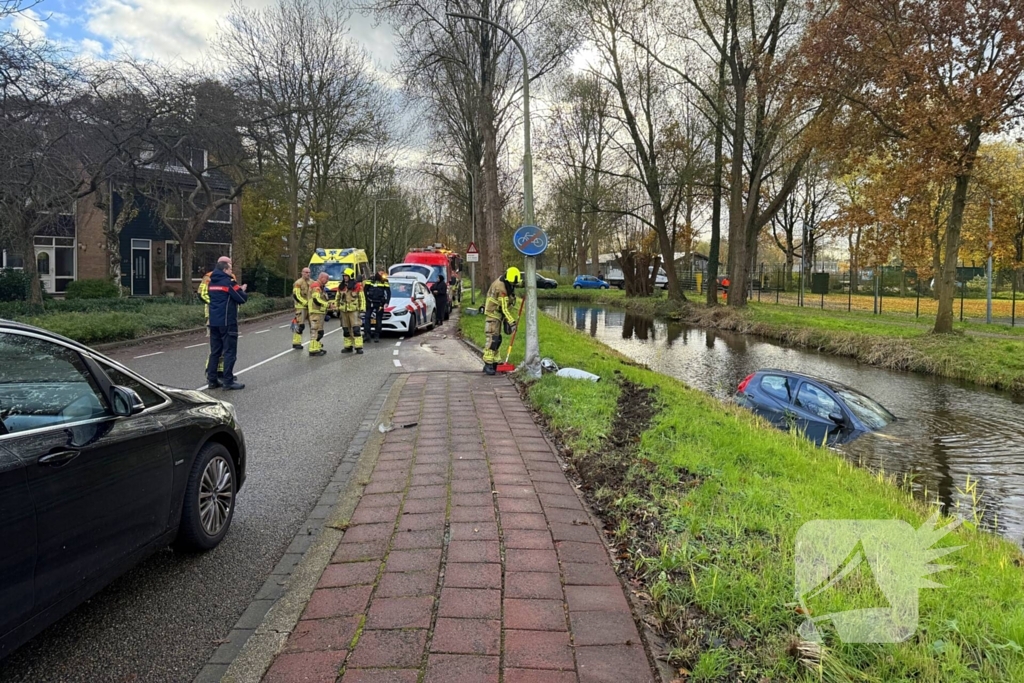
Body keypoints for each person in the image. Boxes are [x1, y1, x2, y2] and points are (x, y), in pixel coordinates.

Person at [207, 259, 247, 390]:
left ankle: (212, 380)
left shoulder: (211, 282)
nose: (231, 272)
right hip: (227, 321)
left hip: (213, 322)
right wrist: (242, 290)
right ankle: (228, 381)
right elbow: (241, 298)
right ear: (224, 270)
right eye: (230, 269)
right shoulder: (229, 283)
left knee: (215, 352)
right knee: (230, 351)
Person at [482, 266, 521, 375]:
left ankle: (495, 362)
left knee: (498, 339)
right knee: (493, 339)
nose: (513, 286)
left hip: (498, 315)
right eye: (513, 284)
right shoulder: (501, 288)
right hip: (493, 315)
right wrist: (512, 322)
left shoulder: (506, 282)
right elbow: (503, 308)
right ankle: (488, 363)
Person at [336, 268, 366, 354]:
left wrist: (362, 308)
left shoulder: (357, 286)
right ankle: (348, 346)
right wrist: (336, 308)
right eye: (344, 276)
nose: (345, 277)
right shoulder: (341, 286)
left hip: (354, 311)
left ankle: (358, 346)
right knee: (345, 329)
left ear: (351, 276)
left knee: (356, 329)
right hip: (343, 311)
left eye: (346, 276)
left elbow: (362, 298)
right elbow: (337, 298)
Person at [364, 270, 391, 342]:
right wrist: (366, 301)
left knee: (378, 320)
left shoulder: (385, 281)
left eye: (383, 273)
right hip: (370, 302)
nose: (381, 274)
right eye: (380, 273)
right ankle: (367, 335)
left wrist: (387, 302)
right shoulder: (370, 279)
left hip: (380, 303)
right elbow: (365, 290)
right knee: (367, 318)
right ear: (377, 273)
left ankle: (377, 335)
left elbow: (388, 292)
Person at [307, 272, 330, 356]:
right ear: (321, 278)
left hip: (319, 312)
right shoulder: (316, 286)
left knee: (319, 331)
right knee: (315, 331)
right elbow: (316, 299)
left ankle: (317, 347)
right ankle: (313, 349)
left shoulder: (321, 287)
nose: (327, 281)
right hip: (315, 312)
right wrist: (327, 304)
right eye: (326, 279)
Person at [291, 267, 313, 350]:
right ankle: (296, 342)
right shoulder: (298, 283)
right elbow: (296, 295)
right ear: (302, 273)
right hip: (301, 307)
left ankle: (314, 342)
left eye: (309, 272)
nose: (308, 274)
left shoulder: (312, 282)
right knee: (300, 325)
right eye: (306, 272)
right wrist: (305, 303)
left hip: (310, 307)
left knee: (313, 325)